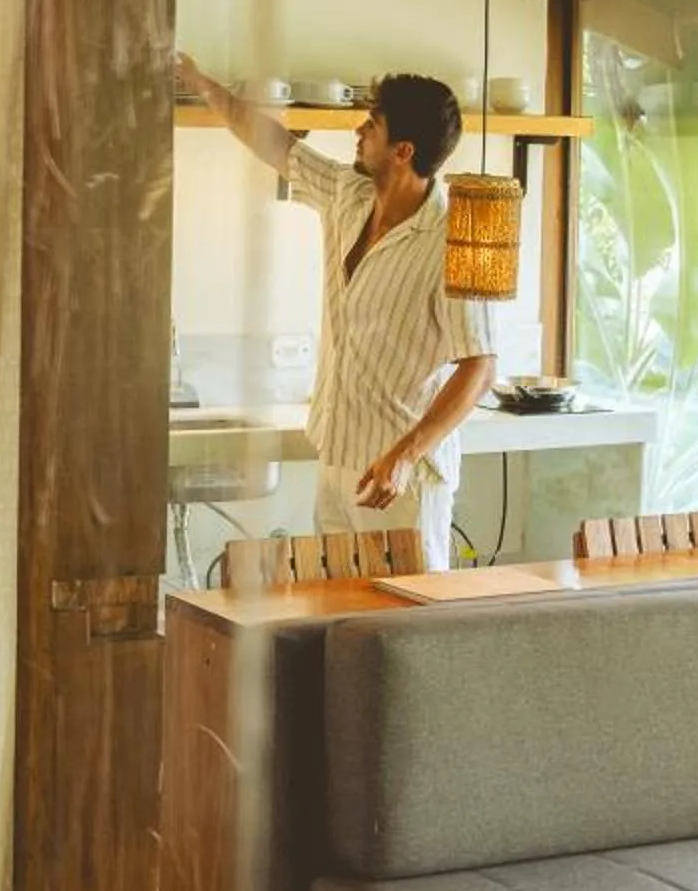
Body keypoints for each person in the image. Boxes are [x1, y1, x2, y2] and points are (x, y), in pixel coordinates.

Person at [176, 58, 499, 572]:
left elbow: (478, 368)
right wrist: (198, 82)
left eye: (372, 124)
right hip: (338, 459)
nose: (359, 130)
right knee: (338, 625)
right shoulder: (348, 195)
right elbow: (274, 144)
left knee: (404, 629)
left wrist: (406, 455)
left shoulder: (452, 239)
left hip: (402, 482)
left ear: (403, 150)